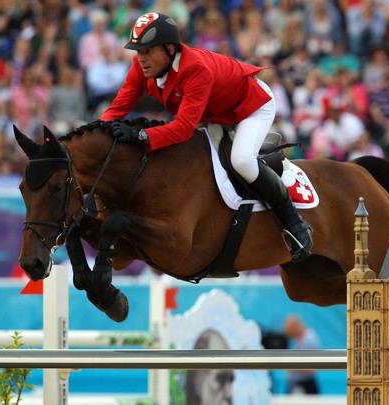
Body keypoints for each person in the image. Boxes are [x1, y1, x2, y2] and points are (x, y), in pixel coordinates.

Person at [100, 13, 312, 262]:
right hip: (214, 115)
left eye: (147, 50)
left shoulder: (195, 68)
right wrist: (94, 134)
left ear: (170, 48)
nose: (141, 58)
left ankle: (293, 222)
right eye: (138, 51)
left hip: (250, 106)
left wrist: (140, 135)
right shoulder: (141, 68)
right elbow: (117, 109)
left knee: (241, 160)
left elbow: (182, 128)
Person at [283, 315, 320, 394]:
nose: (287, 332)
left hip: (305, 386)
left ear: (295, 326)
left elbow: (310, 368)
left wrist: (290, 366)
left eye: (288, 328)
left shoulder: (309, 340)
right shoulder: (299, 339)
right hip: (298, 384)